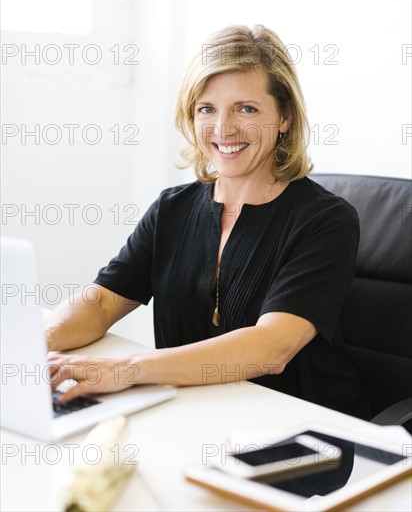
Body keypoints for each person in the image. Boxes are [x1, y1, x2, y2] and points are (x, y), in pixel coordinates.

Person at [47, 24, 370, 419]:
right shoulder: (172, 209)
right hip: (191, 415)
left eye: (246, 108)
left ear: (284, 116)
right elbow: (98, 305)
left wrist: (127, 370)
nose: (223, 128)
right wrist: (31, 345)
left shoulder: (326, 220)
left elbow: (271, 347)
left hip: (301, 429)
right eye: (207, 109)